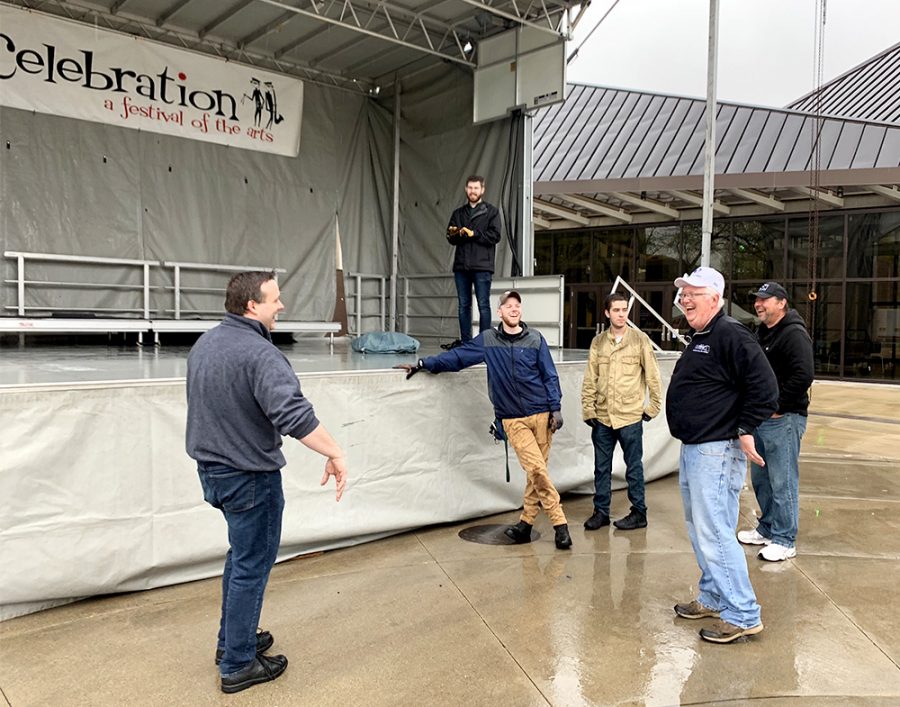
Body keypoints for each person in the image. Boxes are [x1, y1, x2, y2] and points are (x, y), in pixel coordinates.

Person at [186, 271, 347, 694]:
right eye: (275, 299)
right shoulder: (260, 354)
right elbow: (294, 416)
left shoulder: (206, 344)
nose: (281, 305)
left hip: (214, 473)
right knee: (251, 565)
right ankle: (238, 665)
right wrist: (335, 452)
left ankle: (231, 642)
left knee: (241, 558)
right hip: (248, 479)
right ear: (252, 306)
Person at [395, 290, 572, 550]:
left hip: (542, 415)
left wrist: (555, 408)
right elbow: (458, 357)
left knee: (537, 474)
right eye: (508, 306)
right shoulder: (489, 340)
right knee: (536, 470)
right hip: (514, 420)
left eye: (517, 306)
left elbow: (549, 375)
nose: (513, 309)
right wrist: (424, 363)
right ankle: (561, 524)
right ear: (499, 312)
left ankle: (525, 524)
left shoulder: (535, 339)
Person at [667, 266, 778, 644]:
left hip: (714, 450)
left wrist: (745, 429)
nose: (685, 299)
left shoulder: (730, 334)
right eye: (683, 293)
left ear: (715, 298)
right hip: (696, 448)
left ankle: (743, 614)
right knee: (701, 530)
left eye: (693, 293)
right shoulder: (703, 335)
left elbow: (765, 387)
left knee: (715, 533)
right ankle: (715, 596)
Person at [737, 282, 815, 562]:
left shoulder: (793, 334)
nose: (758, 304)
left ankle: (785, 538)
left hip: (784, 419)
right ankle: (768, 528)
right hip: (761, 418)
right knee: (762, 479)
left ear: (781, 303)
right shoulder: (763, 332)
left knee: (783, 482)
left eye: (765, 300)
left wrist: (775, 407)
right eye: (757, 300)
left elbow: (803, 376)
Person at [581, 291, 662, 531]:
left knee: (634, 467)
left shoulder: (639, 340)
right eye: (616, 310)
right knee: (601, 468)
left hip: (630, 416)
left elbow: (653, 376)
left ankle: (639, 512)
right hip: (603, 416)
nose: (621, 314)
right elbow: (590, 378)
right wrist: (588, 409)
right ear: (607, 313)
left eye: (624, 309)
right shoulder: (598, 342)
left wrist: (653, 407)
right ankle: (601, 512)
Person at [444, 175, 502, 348]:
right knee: (463, 305)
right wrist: (456, 233)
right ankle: (466, 342)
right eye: (470, 188)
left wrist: (474, 233)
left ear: (482, 190)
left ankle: (484, 342)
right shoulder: (458, 213)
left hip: (482, 266)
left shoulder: (492, 212)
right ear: (466, 189)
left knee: (483, 304)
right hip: (461, 266)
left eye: (476, 188)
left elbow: (495, 236)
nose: (472, 191)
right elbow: (450, 238)